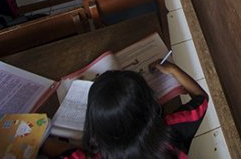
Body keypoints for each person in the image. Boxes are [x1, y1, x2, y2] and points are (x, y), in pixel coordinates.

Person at [48, 63, 208, 159]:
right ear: (150, 106)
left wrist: (38, 139)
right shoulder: (172, 131)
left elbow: (71, 154)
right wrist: (173, 69)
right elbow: (201, 98)